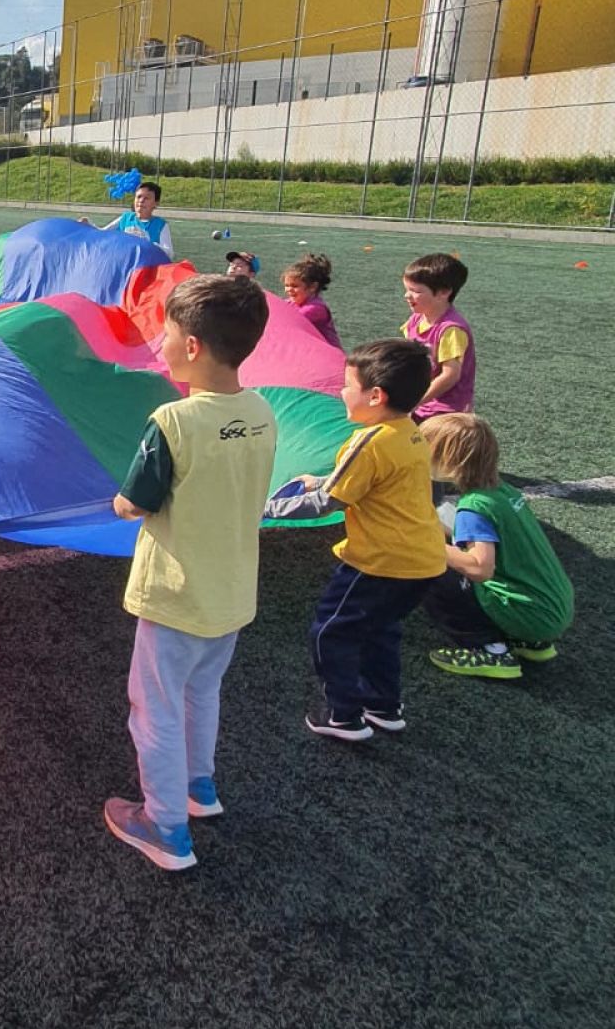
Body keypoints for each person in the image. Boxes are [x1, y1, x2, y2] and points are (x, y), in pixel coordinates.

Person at [106, 275, 276, 871]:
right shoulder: (262, 411)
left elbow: (136, 502)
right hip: (231, 593)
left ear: (195, 346)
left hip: (177, 595)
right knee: (202, 693)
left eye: (168, 333)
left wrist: (119, 503)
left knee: (154, 707)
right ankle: (199, 788)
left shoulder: (173, 421)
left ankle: (165, 826)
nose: (162, 343)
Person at [264, 339, 448, 742]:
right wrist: (321, 480)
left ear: (376, 396)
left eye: (347, 385)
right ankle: (383, 705)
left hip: (380, 562)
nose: (341, 392)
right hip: (424, 562)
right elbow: (372, 483)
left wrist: (264, 509)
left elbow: (326, 503)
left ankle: (343, 715)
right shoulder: (410, 434)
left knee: (331, 632)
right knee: (381, 629)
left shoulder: (368, 441)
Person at [419, 413, 574, 679]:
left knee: (428, 566)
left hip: (531, 614)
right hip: (550, 607)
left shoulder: (473, 507)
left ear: (449, 460)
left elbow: (480, 568)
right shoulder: (502, 492)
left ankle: (490, 649)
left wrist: (423, 542)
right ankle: (530, 642)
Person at [402, 253, 476, 419]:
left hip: (446, 411)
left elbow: (450, 375)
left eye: (415, 291)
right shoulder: (416, 319)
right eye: (407, 289)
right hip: (422, 403)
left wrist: (416, 401)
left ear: (444, 292)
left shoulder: (451, 330)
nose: (407, 295)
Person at [103, 181, 174, 258]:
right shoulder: (125, 218)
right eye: (139, 197)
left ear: (156, 203)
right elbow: (103, 232)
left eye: (146, 198)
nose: (141, 200)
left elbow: (169, 253)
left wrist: (148, 245)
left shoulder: (161, 225)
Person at [282, 254, 340, 346]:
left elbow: (291, 322)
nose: (288, 289)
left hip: (327, 352)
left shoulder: (316, 308)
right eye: (286, 285)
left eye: (295, 286)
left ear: (313, 287)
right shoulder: (290, 303)